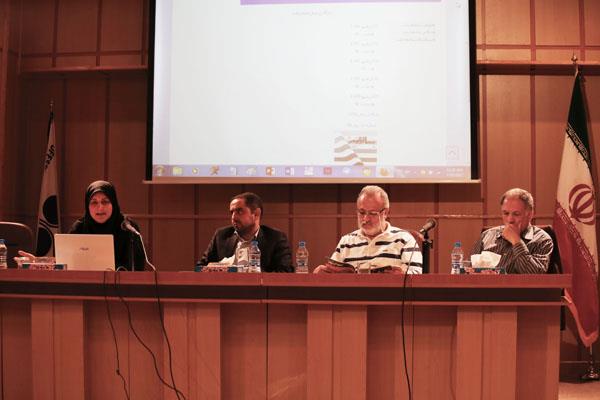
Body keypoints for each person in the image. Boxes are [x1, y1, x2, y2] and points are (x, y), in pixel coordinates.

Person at [18, 180, 146, 270]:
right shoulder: (79, 227)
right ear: (87, 205)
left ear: (114, 203)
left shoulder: (127, 227)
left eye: (105, 201)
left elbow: (137, 267)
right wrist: (37, 262)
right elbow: (63, 263)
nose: (100, 207)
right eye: (94, 202)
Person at [314, 185, 422, 274]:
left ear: (385, 213)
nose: (365, 219)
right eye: (362, 213)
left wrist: (400, 275)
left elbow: (417, 275)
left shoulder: (404, 239)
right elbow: (332, 273)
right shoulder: (346, 241)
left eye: (372, 213)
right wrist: (324, 273)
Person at [198, 192, 293, 272]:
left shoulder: (275, 238)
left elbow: (285, 271)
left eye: (239, 211)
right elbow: (201, 267)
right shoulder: (221, 236)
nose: (233, 217)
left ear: (256, 214)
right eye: (232, 212)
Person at [471, 188, 553, 274]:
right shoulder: (487, 235)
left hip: (520, 283)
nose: (510, 220)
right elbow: (469, 270)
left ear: (530, 214)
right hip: (487, 283)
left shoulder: (542, 240)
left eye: (516, 214)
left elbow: (535, 275)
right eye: (506, 213)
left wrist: (517, 241)